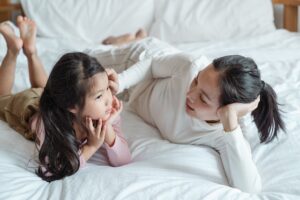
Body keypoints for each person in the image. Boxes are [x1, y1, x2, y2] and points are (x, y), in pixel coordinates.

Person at [89, 37, 285, 193]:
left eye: (204, 98)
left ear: (225, 111)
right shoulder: (191, 65)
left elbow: (250, 189)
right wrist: (120, 82)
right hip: (135, 62)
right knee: (86, 58)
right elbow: (151, 65)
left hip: (133, 97)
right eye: (196, 82)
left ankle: (133, 36)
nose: (190, 94)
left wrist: (231, 117)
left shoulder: (225, 134)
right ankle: (133, 38)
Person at [0, 16, 131, 182]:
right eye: (99, 96)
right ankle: (13, 50)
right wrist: (91, 146)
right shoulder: (47, 124)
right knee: (2, 98)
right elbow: (50, 171)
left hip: (49, 96)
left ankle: (31, 51)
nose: (108, 99)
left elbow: (124, 160)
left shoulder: (105, 109)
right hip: (28, 107)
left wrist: (108, 128)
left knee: (43, 88)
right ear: (72, 105)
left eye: (107, 89)